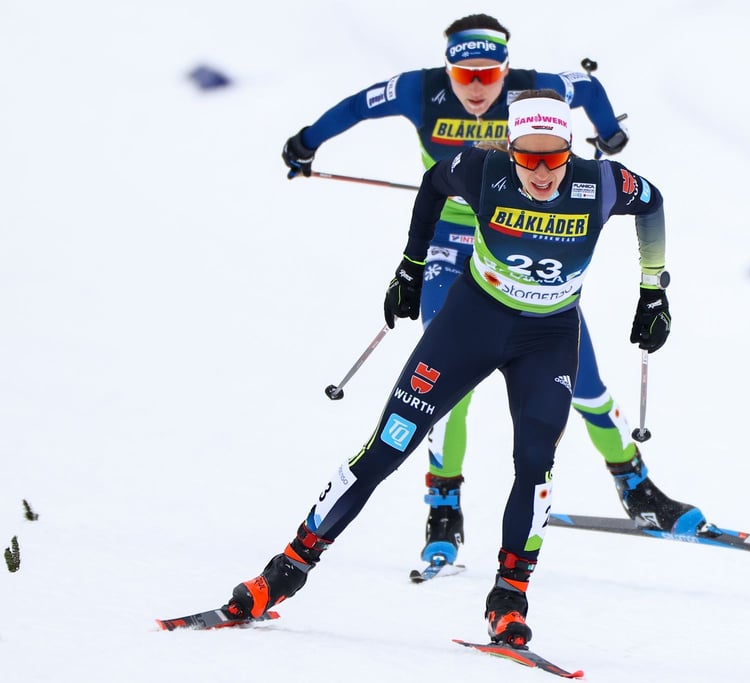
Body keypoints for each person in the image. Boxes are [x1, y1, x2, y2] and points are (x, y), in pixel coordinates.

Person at [225, 90, 705, 646]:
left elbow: (653, 203)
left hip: (548, 338)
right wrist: (411, 264)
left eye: (555, 157)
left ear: (570, 150)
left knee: (534, 464)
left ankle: (509, 601)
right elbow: (432, 185)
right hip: (472, 323)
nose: (542, 171)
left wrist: (653, 291)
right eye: (529, 157)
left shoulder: (602, 182)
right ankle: (281, 574)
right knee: (388, 446)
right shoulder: (483, 168)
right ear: (512, 148)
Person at [281, 14, 696, 569]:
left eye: (489, 73)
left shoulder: (534, 95)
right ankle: (444, 506)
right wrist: (307, 142)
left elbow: (590, 89)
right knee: (447, 389)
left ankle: (635, 485)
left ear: (506, 68)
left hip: (533, 244)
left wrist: (609, 135)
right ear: (447, 67)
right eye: (464, 73)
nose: (476, 87)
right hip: (453, 242)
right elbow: (359, 105)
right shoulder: (418, 89)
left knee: (586, 382)